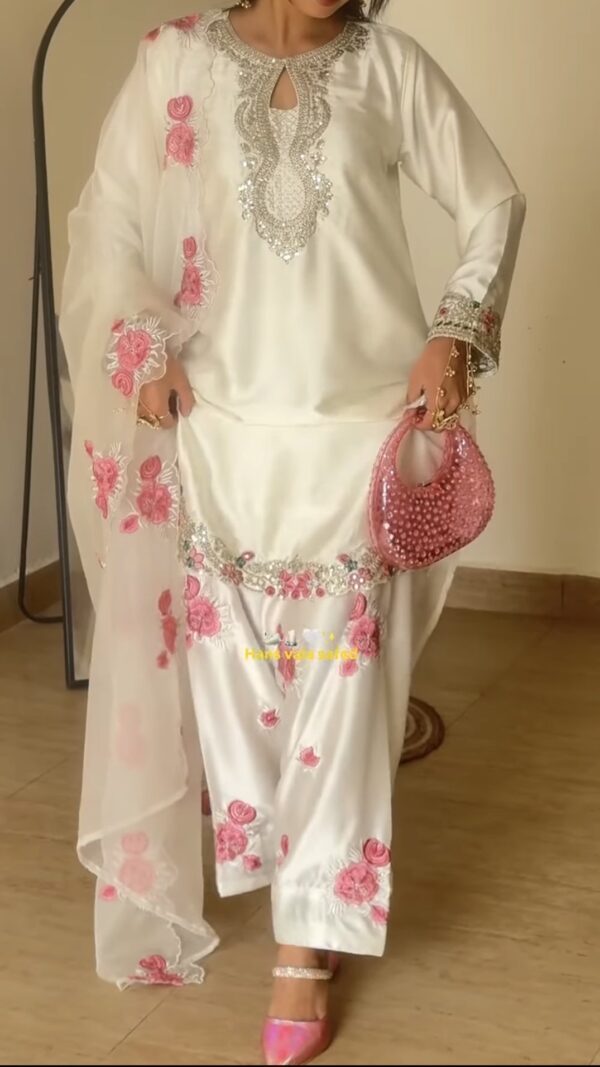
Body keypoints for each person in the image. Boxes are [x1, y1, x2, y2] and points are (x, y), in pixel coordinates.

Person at [60, 1, 525, 1063]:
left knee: (344, 690)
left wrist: (455, 327)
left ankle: (305, 941)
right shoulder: (174, 62)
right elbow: (113, 219)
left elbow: (493, 197)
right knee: (242, 698)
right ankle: (295, 881)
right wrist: (141, 345)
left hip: (356, 435)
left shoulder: (389, 67)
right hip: (219, 431)